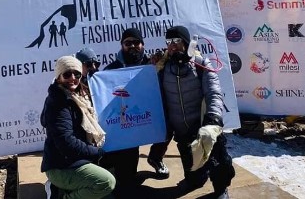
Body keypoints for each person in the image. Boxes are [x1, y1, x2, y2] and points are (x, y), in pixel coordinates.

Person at [157, 25, 235, 199]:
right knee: (193, 174)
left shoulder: (201, 64)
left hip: (202, 128)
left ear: (186, 43)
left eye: (177, 41)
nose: (172, 45)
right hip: (182, 132)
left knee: (219, 164)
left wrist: (213, 120)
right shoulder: (162, 68)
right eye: (169, 42)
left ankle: (221, 188)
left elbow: (214, 93)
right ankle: (196, 179)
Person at [40, 55, 115, 199]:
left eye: (77, 74)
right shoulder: (59, 103)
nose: (72, 78)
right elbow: (66, 142)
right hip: (61, 166)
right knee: (106, 182)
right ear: (58, 77)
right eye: (67, 74)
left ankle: (60, 188)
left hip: (74, 159)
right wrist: (97, 152)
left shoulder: (80, 95)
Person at [100, 28, 149, 192]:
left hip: (146, 119)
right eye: (128, 43)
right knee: (123, 161)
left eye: (137, 42)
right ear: (122, 46)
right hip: (122, 125)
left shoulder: (153, 66)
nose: (133, 46)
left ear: (143, 44)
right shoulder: (110, 70)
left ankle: (154, 161)